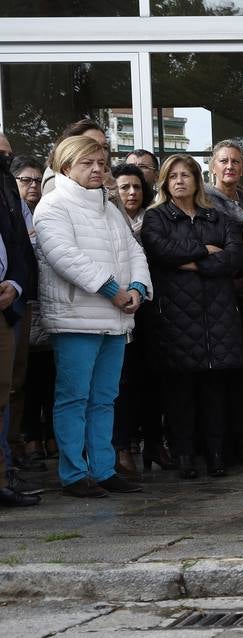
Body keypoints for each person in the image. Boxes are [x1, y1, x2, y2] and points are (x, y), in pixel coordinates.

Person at [33, 134, 149, 498]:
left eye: (102, 162)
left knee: (104, 397)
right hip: (76, 318)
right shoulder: (52, 206)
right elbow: (65, 257)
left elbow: (134, 252)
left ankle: (103, 468)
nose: (98, 169)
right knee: (74, 397)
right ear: (66, 167)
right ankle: (73, 473)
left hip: (115, 319)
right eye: (88, 163)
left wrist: (138, 289)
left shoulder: (110, 208)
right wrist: (115, 291)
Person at [140, 154, 243, 479]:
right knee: (180, 393)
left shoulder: (218, 218)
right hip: (175, 318)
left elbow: (233, 258)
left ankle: (216, 455)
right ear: (165, 182)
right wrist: (204, 251)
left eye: (186, 175)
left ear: (197, 181)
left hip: (217, 317)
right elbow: (161, 252)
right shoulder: (156, 218)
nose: (180, 181)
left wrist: (188, 262)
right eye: (174, 176)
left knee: (214, 392)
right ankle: (184, 455)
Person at [107, 161, 167, 480]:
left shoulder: (153, 219)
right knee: (123, 383)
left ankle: (156, 443)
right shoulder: (108, 219)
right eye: (124, 187)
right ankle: (124, 448)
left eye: (137, 186)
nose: (131, 192)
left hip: (150, 309)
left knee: (152, 379)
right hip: (117, 307)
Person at [205, 138, 243, 466]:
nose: (230, 167)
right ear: (213, 166)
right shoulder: (206, 204)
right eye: (224, 161)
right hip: (219, 295)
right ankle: (220, 443)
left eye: (236, 162)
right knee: (222, 375)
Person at [0, 134, 40, 506]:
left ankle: (6, 471)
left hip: (9, 303)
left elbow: (21, 249)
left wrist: (14, 283)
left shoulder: (10, 200)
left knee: (9, 386)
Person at [8, 154, 52, 481]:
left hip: (35, 304)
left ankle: (18, 446)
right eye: (26, 179)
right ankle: (22, 442)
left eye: (37, 180)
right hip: (16, 302)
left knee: (23, 379)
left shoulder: (44, 214)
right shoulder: (9, 210)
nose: (33, 185)